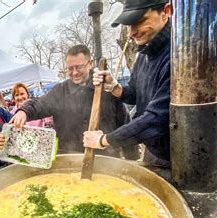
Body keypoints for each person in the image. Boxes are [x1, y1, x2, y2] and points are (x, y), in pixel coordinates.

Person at [86, 0, 173, 180]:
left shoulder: (177, 56)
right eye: (129, 25)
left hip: (177, 155)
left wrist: (104, 140)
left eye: (139, 21)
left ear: (166, 11)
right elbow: (134, 95)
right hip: (152, 149)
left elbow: (156, 119)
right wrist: (114, 86)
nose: (132, 32)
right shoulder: (144, 54)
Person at [11, 45, 139, 159]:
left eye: (79, 67)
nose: (74, 73)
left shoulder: (108, 88)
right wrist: (24, 111)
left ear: (90, 63)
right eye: (70, 69)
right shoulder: (60, 91)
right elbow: (39, 104)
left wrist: (132, 158)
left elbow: (125, 124)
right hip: (69, 159)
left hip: (107, 159)